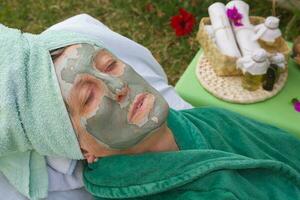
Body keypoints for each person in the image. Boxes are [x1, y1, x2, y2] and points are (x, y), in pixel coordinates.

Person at [0, 14, 300, 200]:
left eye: (110, 65)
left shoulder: (207, 120)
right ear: (80, 149)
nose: (119, 88)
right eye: (88, 98)